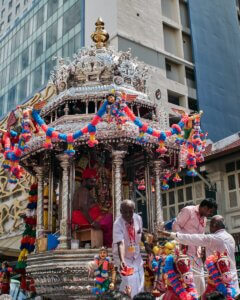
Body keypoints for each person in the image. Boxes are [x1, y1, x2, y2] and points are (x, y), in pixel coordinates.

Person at [158, 215, 240, 296]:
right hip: (232, 280)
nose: (209, 227)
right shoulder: (230, 237)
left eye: (210, 225)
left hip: (220, 282)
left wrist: (171, 235)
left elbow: (193, 238)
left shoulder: (215, 238)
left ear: (214, 226)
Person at [171, 198, 217, 295]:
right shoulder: (188, 210)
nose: (210, 214)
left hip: (197, 255)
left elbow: (201, 237)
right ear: (204, 207)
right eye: (210, 211)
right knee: (188, 282)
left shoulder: (203, 219)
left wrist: (202, 249)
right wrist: (183, 241)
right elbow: (176, 225)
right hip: (184, 253)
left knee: (200, 282)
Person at [112, 200, 151, 298]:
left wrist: (146, 245)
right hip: (122, 256)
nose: (128, 215)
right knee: (129, 280)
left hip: (136, 255)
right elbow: (120, 243)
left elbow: (140, 233)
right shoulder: (117, 223)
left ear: (134, 210)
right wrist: (122, 260)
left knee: (140, 279)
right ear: (121, 211)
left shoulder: (138, 218)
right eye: (125, 212)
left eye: (130, 211)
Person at [72, 167, 113, 247]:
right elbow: (82, 206)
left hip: (85, 217)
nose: (93, 184)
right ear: (84, 181)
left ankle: (104, 243)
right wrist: (92, 222)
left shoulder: (84, 190)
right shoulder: (83, 190)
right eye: (91, 182)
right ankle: (108, 245)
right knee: (110, 219)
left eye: (94, 182)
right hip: (82, 219)